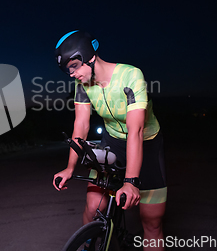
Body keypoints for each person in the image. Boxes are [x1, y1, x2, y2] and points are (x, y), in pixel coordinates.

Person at [52, 30, 166, 250]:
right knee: (94, 206)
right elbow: (81, 126)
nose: (71, 74)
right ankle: (89, 245)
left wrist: (131, 181)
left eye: (74, 66)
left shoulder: (131, 76)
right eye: (67, 70)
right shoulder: (82, 86)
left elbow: (136, 130)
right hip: (112, 141)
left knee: (151, 220)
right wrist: (70, 167)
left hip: (147, 144)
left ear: (89, 57)